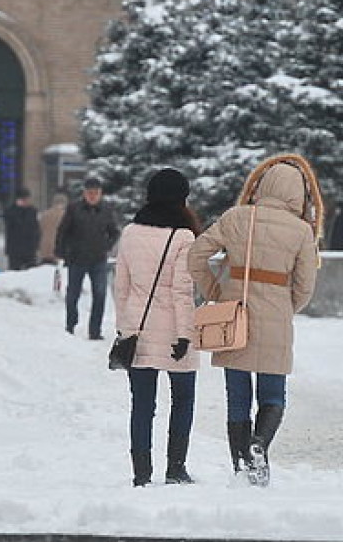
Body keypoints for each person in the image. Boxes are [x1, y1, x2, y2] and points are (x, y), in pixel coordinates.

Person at [187, 154, 321, 486]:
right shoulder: (302, 231)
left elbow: (196, 255)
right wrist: (287, 306)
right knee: (273, 394)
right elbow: (305, 286)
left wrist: (216, 290)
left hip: (234, 313)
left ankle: (240, 466)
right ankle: (259, 444)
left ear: (263, 185)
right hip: (276, 313)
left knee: (238, 394)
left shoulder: (237, 217)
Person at [113, 168, 201, 487]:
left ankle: (141, 473)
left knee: (142, 405)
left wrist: (124, 329)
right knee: (183, 400)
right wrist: (185, 336)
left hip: (137, 331)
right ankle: (175, 469)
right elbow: (181, 291)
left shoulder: (130, 233)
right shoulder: (184, 237)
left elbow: (120, 287)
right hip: (175, 333)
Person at [56, 177, 120, 339]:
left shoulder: (106, 210)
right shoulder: (74, 209)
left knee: (100, 294)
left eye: (96, 193)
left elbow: (114, 232)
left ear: (100, 194)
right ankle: (70, 325)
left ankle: (95, 330)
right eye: (89, 193)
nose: (92, 196)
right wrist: (62, 251)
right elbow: (63, 231)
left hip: (98, 259)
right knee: (73, 294)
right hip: (76, 258)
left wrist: (106, 245)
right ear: (84, 193)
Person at [4, 187, 41, 270]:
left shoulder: (32, 211)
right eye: (27, 199)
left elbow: (35, 229)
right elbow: (13, 226)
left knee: (31, 273)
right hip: (15, 250)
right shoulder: (11, 211)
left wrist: (36, 245)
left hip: (30, 250)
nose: (28, 201)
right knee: (15, 272)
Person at [38, 193, 68, 265]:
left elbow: (39, 229)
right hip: (59, 249)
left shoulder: (45, 214)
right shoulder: (66, 215)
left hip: (45, 248)